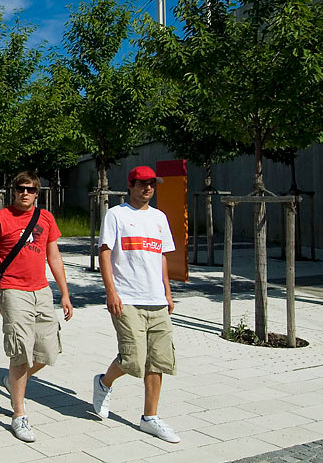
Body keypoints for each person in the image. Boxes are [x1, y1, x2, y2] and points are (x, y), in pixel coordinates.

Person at [0, 171, 73, 443]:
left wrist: (65, 294)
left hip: (41, 291)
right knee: (21, 353)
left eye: (31, 189)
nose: (25, 193)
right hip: (13, 290)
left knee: (47, 352)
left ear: (37, 193)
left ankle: (12, 381)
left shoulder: (46, 218)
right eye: (21, 188)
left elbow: (54, 256)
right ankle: (19, 414)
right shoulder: (0, 219)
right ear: (13, 190)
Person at [92, 165, 180, 443]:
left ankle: (150, 418)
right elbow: (105, 253)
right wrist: (111, 292)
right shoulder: (116, 215)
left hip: (156, 300)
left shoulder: (159, 217)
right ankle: (104, 382)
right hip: (127, 298)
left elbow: (162, 257)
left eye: (152, 184)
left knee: (157, 361)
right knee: (133, 360)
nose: (148, 188)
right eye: (142, 183)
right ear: (130, 185)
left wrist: (167, 292)